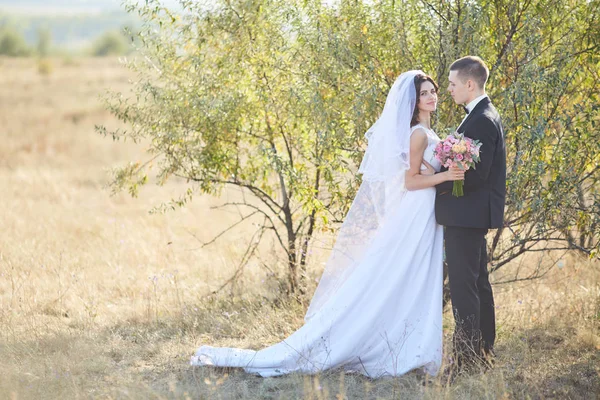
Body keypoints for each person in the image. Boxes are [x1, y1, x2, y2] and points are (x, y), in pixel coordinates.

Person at [191, 70, 464, 378]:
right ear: (414, 102)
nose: (432, 97)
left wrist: (445, 169)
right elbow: (411, 181)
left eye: (434, 91)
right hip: (415, 211)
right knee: (401, 273)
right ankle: (396, 346)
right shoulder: (417, 134)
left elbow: (422, 175)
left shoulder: (429, 133)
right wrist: (446, 175)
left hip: (425, 213)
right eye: (425, 93)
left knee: (414, 276)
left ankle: (411, 344)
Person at [435, 56, 506, 372]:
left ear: (469, 84)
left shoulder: (481, 119)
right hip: (471, 215)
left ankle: (467, 358)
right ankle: (482, 350)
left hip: (466, 216)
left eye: (452, 84)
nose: (448, 89)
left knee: (466, 286)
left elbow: (477, 174)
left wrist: (441, 179)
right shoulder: (481, 114)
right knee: (477, 283)